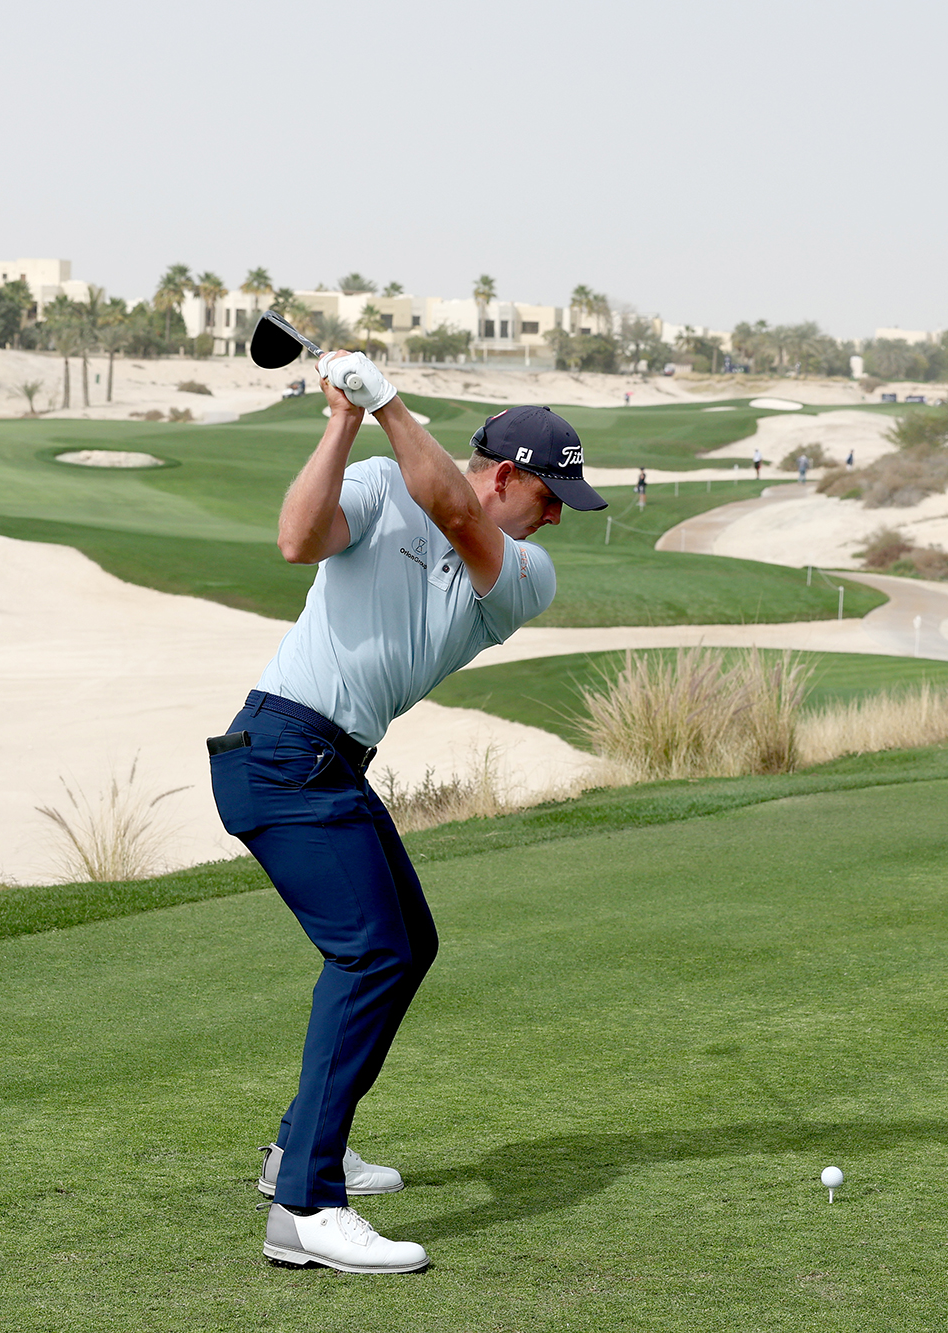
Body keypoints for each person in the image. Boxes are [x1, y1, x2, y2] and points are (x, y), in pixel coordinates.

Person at [209, 349, 607, 1275]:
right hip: (280, 753)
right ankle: (307, 1203)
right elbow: (298, 541)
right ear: (510, 474)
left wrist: (386, 400)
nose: (558, 518)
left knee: (405, 946)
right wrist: (346, 416)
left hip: (327, 764)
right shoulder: (384, 481)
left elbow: (458, 513)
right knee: (373, 952)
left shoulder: (523, 572)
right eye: (551, 497)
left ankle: (300, 1147)